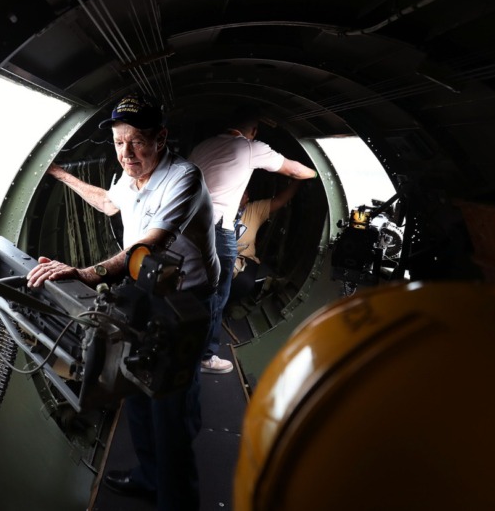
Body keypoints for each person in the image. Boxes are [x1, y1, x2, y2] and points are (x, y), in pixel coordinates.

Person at [26, 92, 220, 511]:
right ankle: (150, 477)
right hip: (142, 288)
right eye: (118, 143)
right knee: (133, 385)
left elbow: (147, 248)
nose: (126, 153)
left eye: (136, 141)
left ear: (160, 138)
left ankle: (177, 499)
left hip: (183, 296)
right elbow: (111, 202)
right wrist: (60, 175)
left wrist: (83, 273)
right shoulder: (130, 175)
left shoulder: (183, 178)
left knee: (170, 402)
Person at [188, 104, 317, 373]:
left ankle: (180, 341)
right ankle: (205, 356)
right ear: (254, 131)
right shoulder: (249, 148)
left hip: (187, 228)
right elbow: (294, 171)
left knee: (189, 286)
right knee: (215, 294)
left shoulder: (201, 147)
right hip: (216, 231)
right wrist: (314, 173)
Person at [229, 176, 304, 306]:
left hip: (244, 258)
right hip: (218, 254)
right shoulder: (218, 209)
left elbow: (280, 200)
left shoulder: (254, 210)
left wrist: (300, 179)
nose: (242, 194)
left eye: (245, 192)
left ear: (247, 199)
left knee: (244, 282)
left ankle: (224, 306)